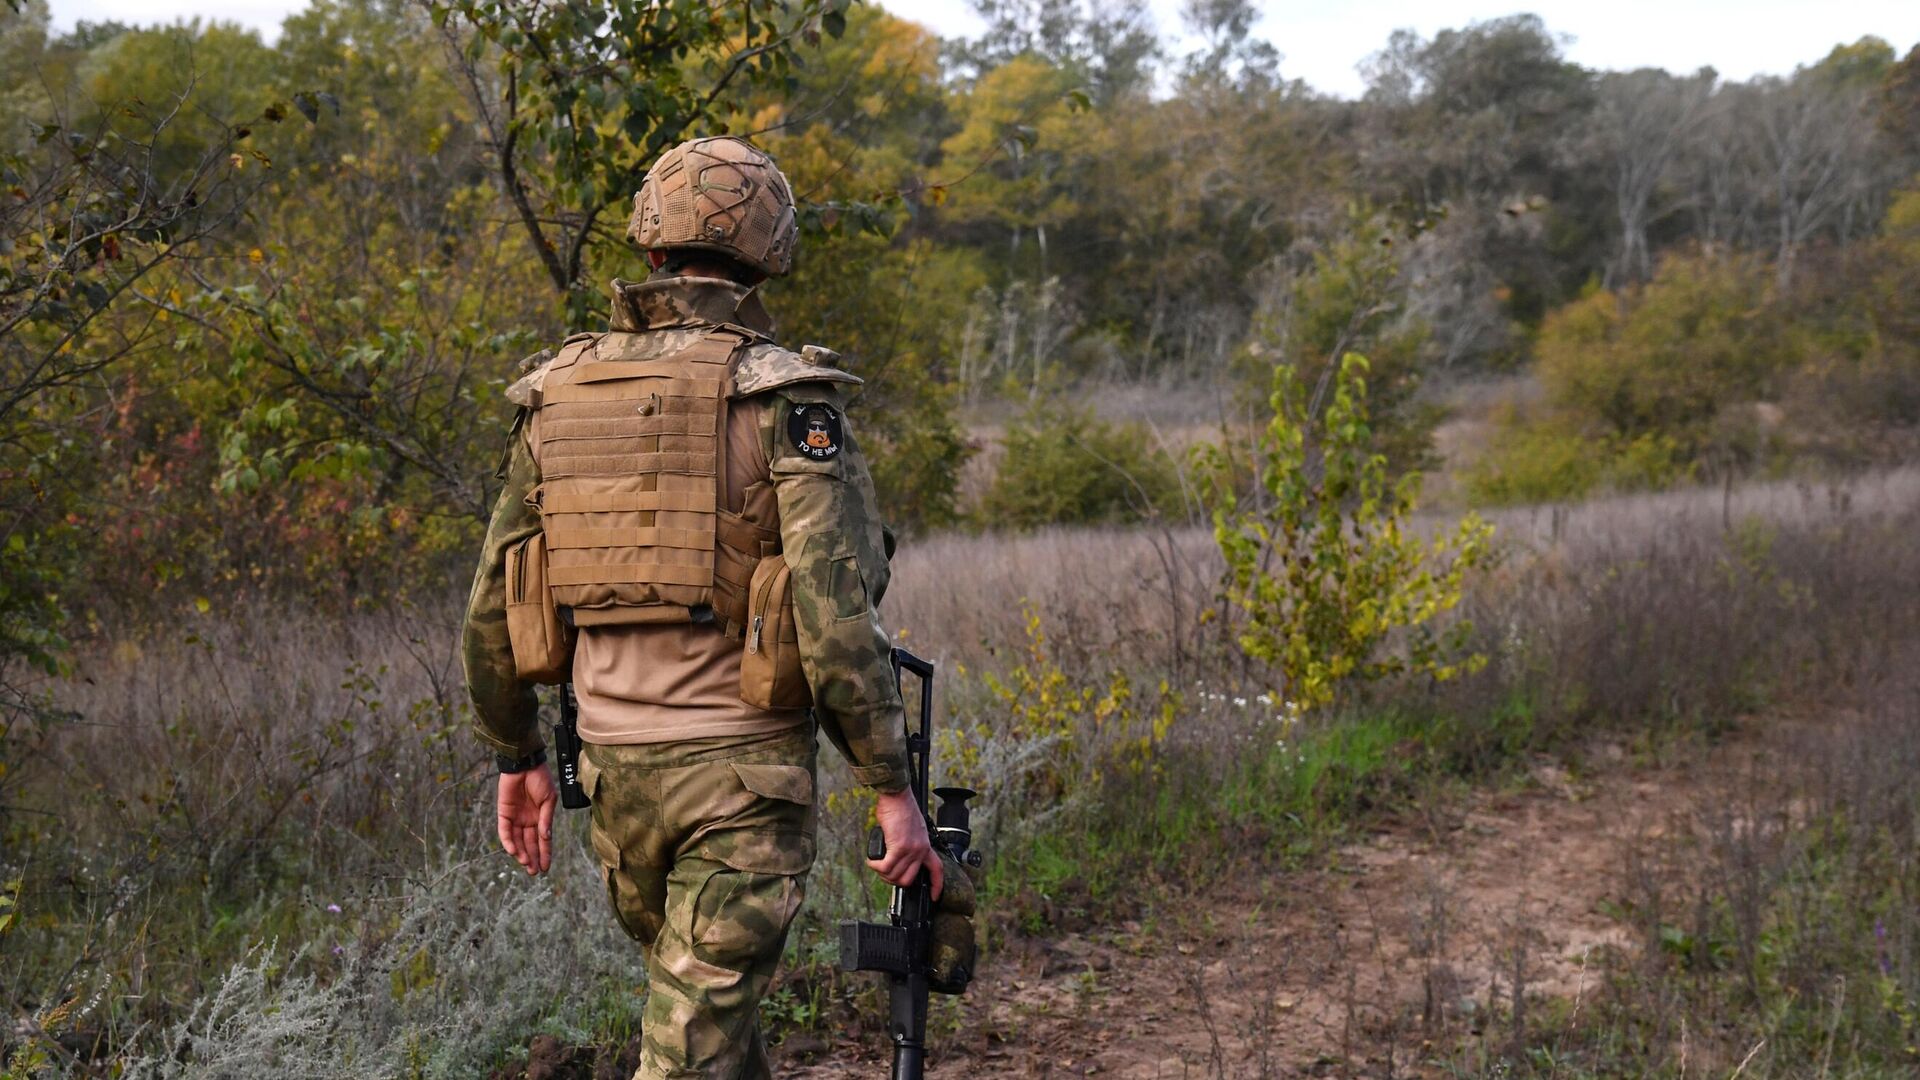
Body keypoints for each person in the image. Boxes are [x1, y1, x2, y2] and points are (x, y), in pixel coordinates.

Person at [461, 135, 942, 1079]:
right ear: (769, 252)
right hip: (742, 783)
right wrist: (891, 786)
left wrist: (516, 754)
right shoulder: (785, 399)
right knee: (692, 1052)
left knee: (706, 1034)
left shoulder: (554, 392)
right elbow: (836, 612)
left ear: (649, 245)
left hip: (615, 783)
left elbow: (491, 601)